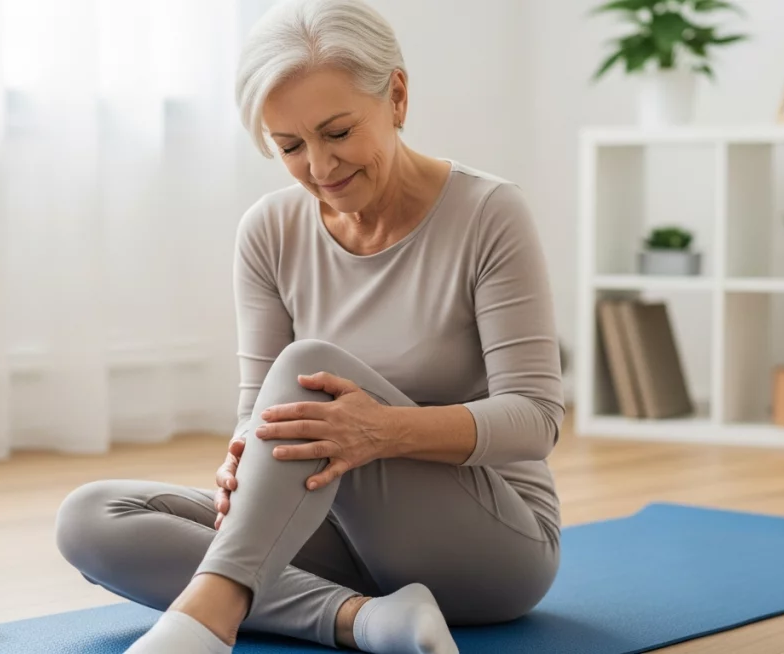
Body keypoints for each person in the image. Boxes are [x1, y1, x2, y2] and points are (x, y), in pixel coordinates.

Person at [53, 0, 564, 652]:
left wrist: (380, 431)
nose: (321, 168)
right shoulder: (269, 230)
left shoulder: (489, 213)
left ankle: (210, 615)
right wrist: (244, 455)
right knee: (92, 518)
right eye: (290, 147)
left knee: (306, 367)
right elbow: (256, 412)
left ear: (397, 96)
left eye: (338, 133)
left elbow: (535, 419)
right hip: (335, 528)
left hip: (490, 546)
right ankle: (364, 620)